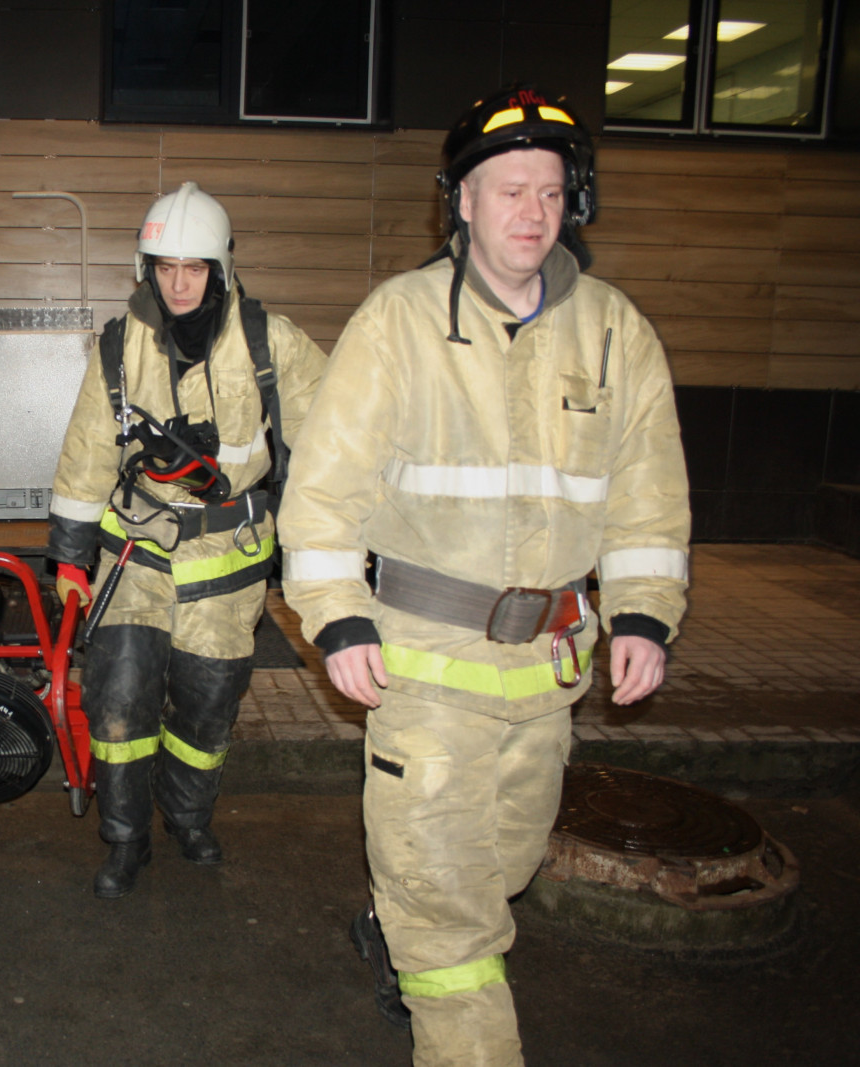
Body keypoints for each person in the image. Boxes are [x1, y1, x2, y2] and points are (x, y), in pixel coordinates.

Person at [277, 85, 691, 1063]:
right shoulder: (399, 323)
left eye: (548, 191)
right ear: (458, 202)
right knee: (457, 931)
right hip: (421, 674)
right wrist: (336, 617)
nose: (529, 210)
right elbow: (324, 491)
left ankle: (395, 922)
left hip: (547, 680)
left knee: (494, 873)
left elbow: (648, 493)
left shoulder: (614, 331)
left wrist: (642, 611)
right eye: (507, 190)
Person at [47, 182, 327, 899]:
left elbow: (330, 445)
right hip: (134, 553)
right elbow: (85, 453)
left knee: (206, 709)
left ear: (220, 269)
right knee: (119, 699)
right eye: (164, 266)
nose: (178, 282)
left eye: (193, 267)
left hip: (225, 566)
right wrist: (71, 557)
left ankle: (189, 816)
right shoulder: (119, 345)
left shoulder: (271, 343)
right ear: (146, 267)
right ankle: (124, 836)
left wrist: (318, 550)